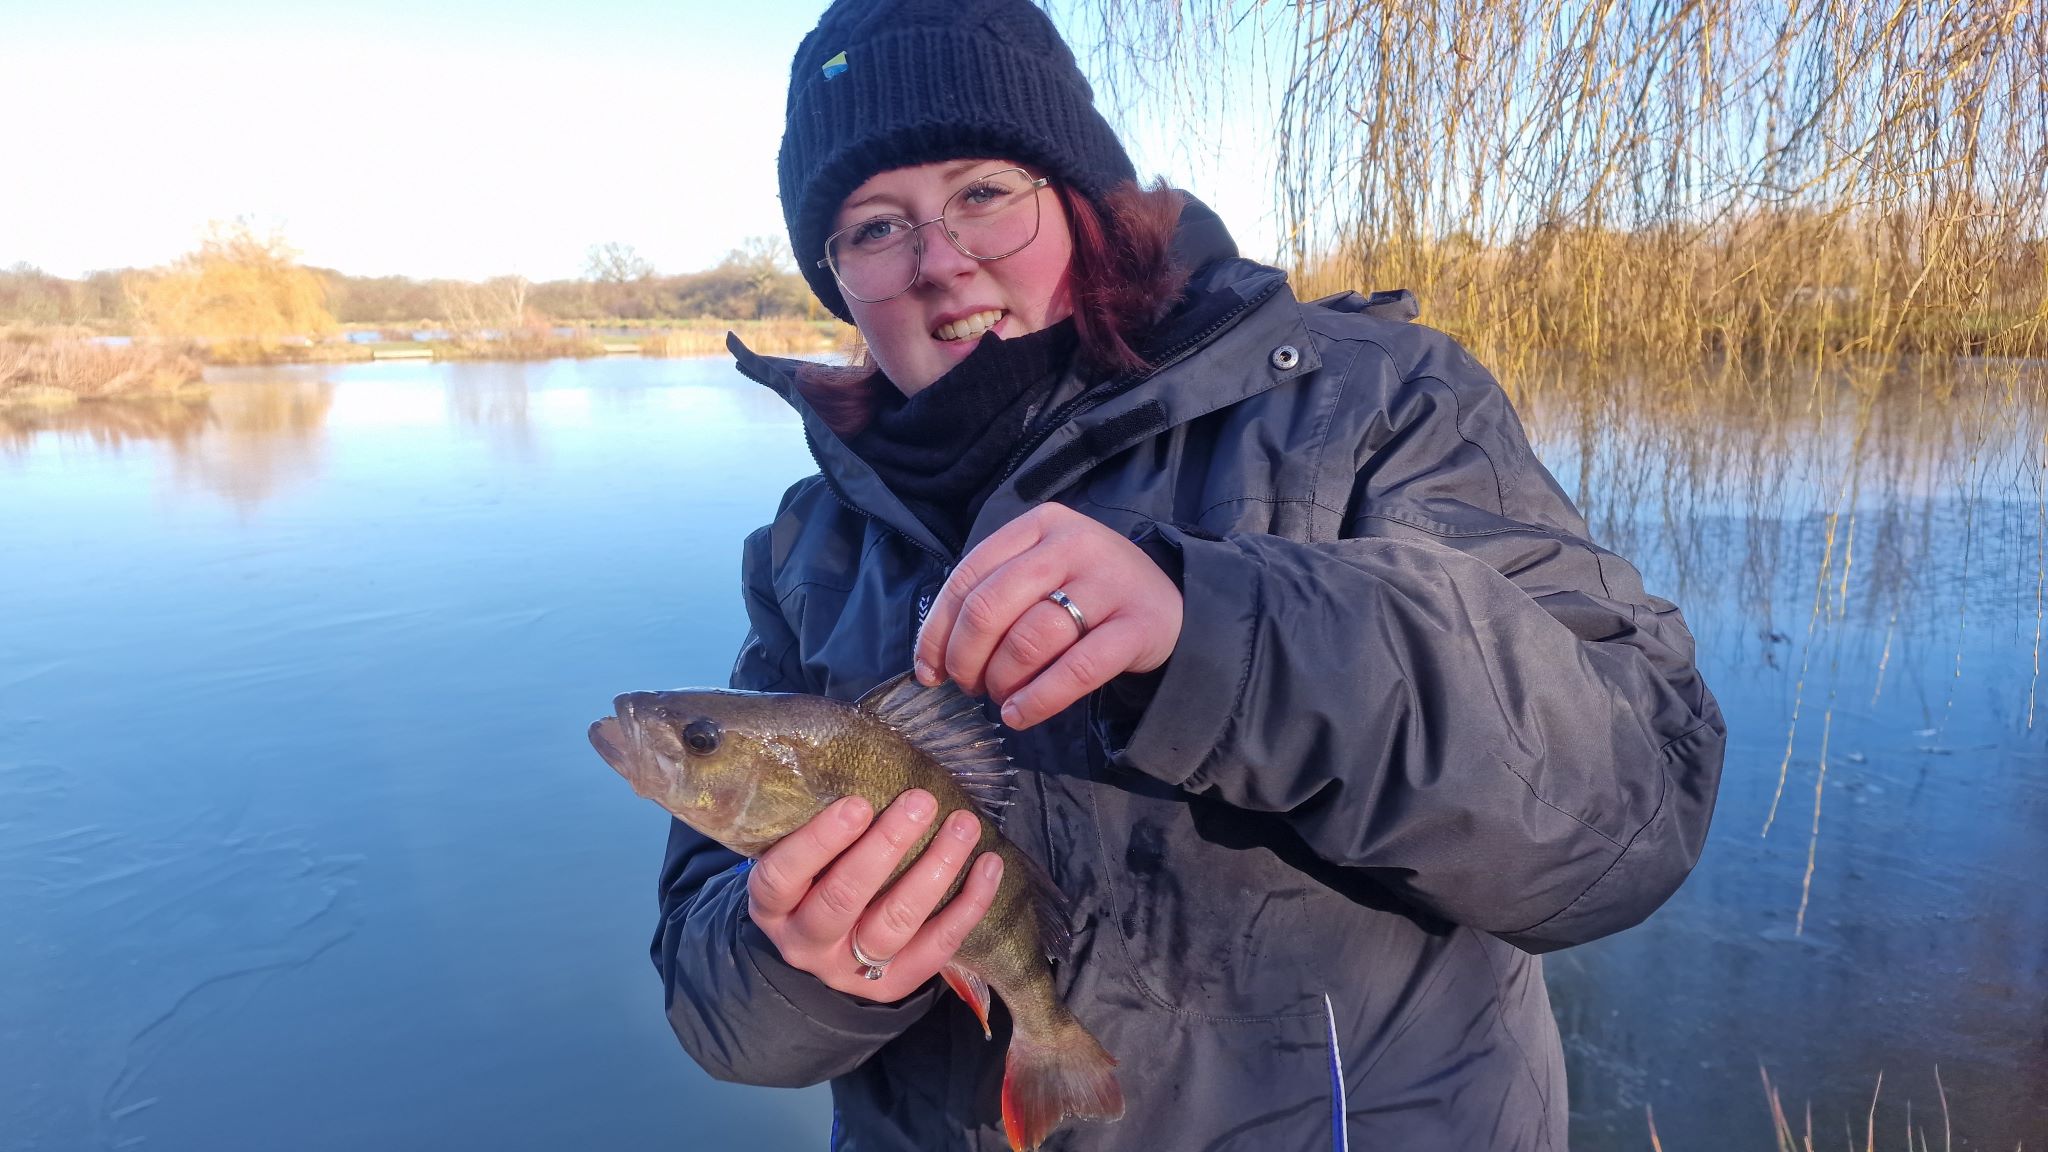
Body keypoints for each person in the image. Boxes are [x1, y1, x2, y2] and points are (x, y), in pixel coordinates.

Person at [651, 1, 1725, 1148]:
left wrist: (1224, 634)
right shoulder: (809, 546)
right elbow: (719, 1020)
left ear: (1079, 200)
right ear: (835, 277)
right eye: (872, 226)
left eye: (981, 192)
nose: (939, 262)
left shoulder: (1372, 400)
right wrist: (801, 964)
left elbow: (1625, 825)